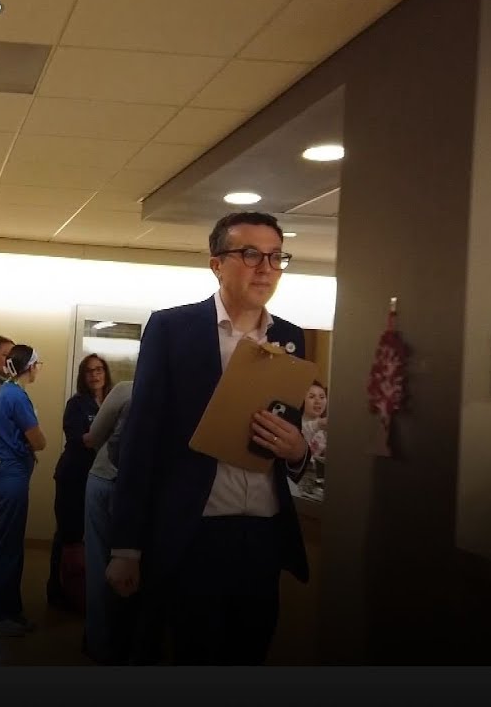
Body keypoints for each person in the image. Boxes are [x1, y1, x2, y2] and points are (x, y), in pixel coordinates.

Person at [106, 211, 313, 666]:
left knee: (250, 652)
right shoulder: (172, 329)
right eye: (251, 254)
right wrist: (126, 547)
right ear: (217, 264)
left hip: (262, 532)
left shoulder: (291, 337)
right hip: (193, 530)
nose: (266, 267)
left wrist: (298, 451)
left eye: (276, 257)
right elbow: (142, 441)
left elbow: (287, 438)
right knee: (192, 654)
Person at [0, 344, 47, 637]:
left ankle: (9, 609)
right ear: (29, 366)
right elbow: (39, 441)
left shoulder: (6, 392)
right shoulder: (16, 396)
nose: (39, 368)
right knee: (6, 549)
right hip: (11, 477)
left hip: (1, 474)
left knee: (6, 546)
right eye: (38, 364)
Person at [47, 354, 111, 612]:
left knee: (95, 536)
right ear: (83, 377)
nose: (95, 375)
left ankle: (87, 592)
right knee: (67, 534)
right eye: (89, 371)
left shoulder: (110, 402)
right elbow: (80, 439)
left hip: (101, 478)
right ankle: (57, 590)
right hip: (73, 478)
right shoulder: (77, 404)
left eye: (99, 370)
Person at [80, 378, 135, 664]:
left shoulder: (126, 389)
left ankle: (100, 643)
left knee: (99, 563)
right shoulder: (179, 394)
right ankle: (130, 644)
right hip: (145, 491)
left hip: (105, 479)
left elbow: (92, 437)